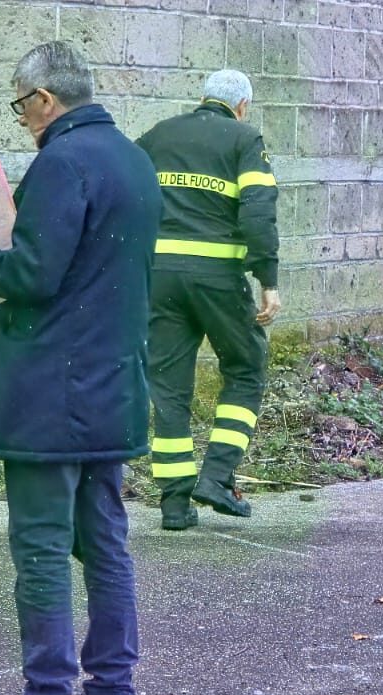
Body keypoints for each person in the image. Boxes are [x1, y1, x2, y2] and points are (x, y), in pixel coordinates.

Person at [0, 41, 161, 695]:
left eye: (20, 105)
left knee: (40, 545)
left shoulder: (61, 162)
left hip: (49, 395)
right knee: (105, 543)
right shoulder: (131, 158)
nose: (21, 119)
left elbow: (34, 276)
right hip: (112, 386)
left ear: (43, 100)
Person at [136, 70, 281, 530]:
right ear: (241, 107)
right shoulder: (244, 138)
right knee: (246, 366)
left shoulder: (158, 135)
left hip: (159, 279)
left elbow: (127, 193)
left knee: (168, 386)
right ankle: (217, 476)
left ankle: (175, 505)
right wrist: (268, 280)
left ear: (203, 98)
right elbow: (258, 211)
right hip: (218, 279)